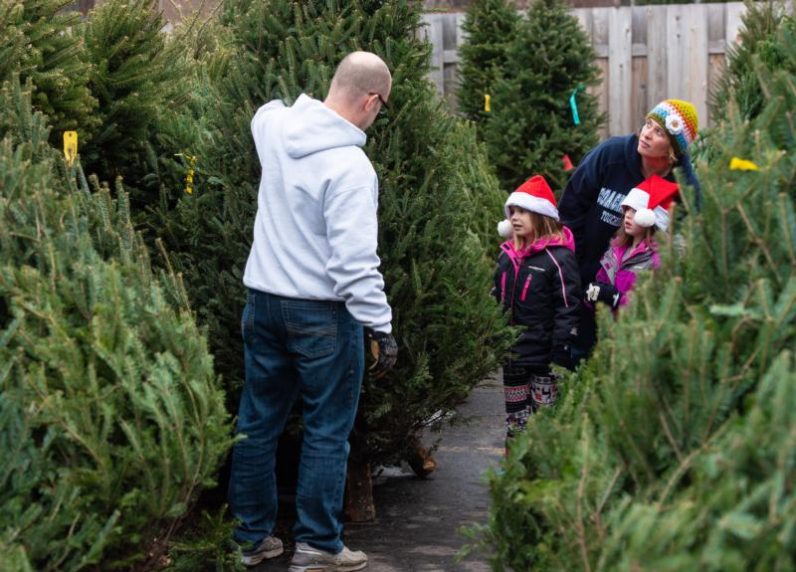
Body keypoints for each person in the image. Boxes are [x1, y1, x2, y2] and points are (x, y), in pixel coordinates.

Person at [228, 51, 398, 572]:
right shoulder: (350, 167)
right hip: (323, 316)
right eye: (382, 107)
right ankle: (318, 547)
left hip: (263, 304)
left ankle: (249, 539)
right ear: (371, 100)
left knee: (257, 424)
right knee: (327, 428)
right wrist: (382, 325)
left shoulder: (276, 129)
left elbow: (265, 111)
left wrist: (296, 104)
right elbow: (353, 264)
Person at [558, 99, 700, 361]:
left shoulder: (684, 186)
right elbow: (570, 209)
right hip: (584, 279)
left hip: (635, 299)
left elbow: (688, 244)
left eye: (659, 132)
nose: (646, 133)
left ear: (672, 150)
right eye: (648, 124)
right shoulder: (610, 155)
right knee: (578, 357)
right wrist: (574, 271)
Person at [494, 175, 581, 440]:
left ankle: (542, 475)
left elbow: (568, 307)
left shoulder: (559, 258)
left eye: (523, 212)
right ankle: (515, 471)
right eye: (513, 212)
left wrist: (559, 352)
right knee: (516, 421)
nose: (515, 218)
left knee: (545, 422)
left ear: (541, 216)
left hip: (545, 358)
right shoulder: (507, 256)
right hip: (513, 356)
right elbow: (496, 299)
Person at [584, 175, 679, 312]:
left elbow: (655, 302)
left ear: (651, 219)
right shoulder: (616, 250)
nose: (627, 215)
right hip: (610, 329)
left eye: (635, 211)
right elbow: (602, 283)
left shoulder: (656, 259)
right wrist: (593, 297)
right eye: (627, 209)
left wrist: (618, 299)